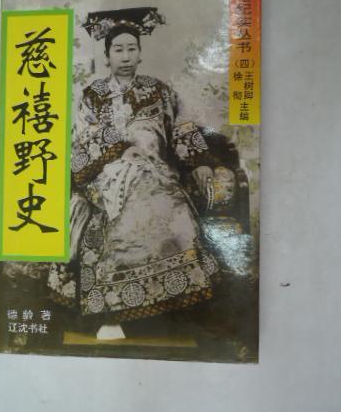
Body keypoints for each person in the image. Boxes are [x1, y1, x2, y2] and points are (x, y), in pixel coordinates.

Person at [50, 20, 221, 333]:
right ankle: (115, 306)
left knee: (168, 200)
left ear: (140, 53)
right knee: (136, 191)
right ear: (107, 56)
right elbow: (83, 137)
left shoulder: (158, 91)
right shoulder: (93, 95)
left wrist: (199, 162)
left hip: (155, 170)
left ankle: (169, 302)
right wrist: (120, 150)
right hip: (105, 172)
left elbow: (182, 127)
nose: (126, 56)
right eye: (118, 49)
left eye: (131, 48)